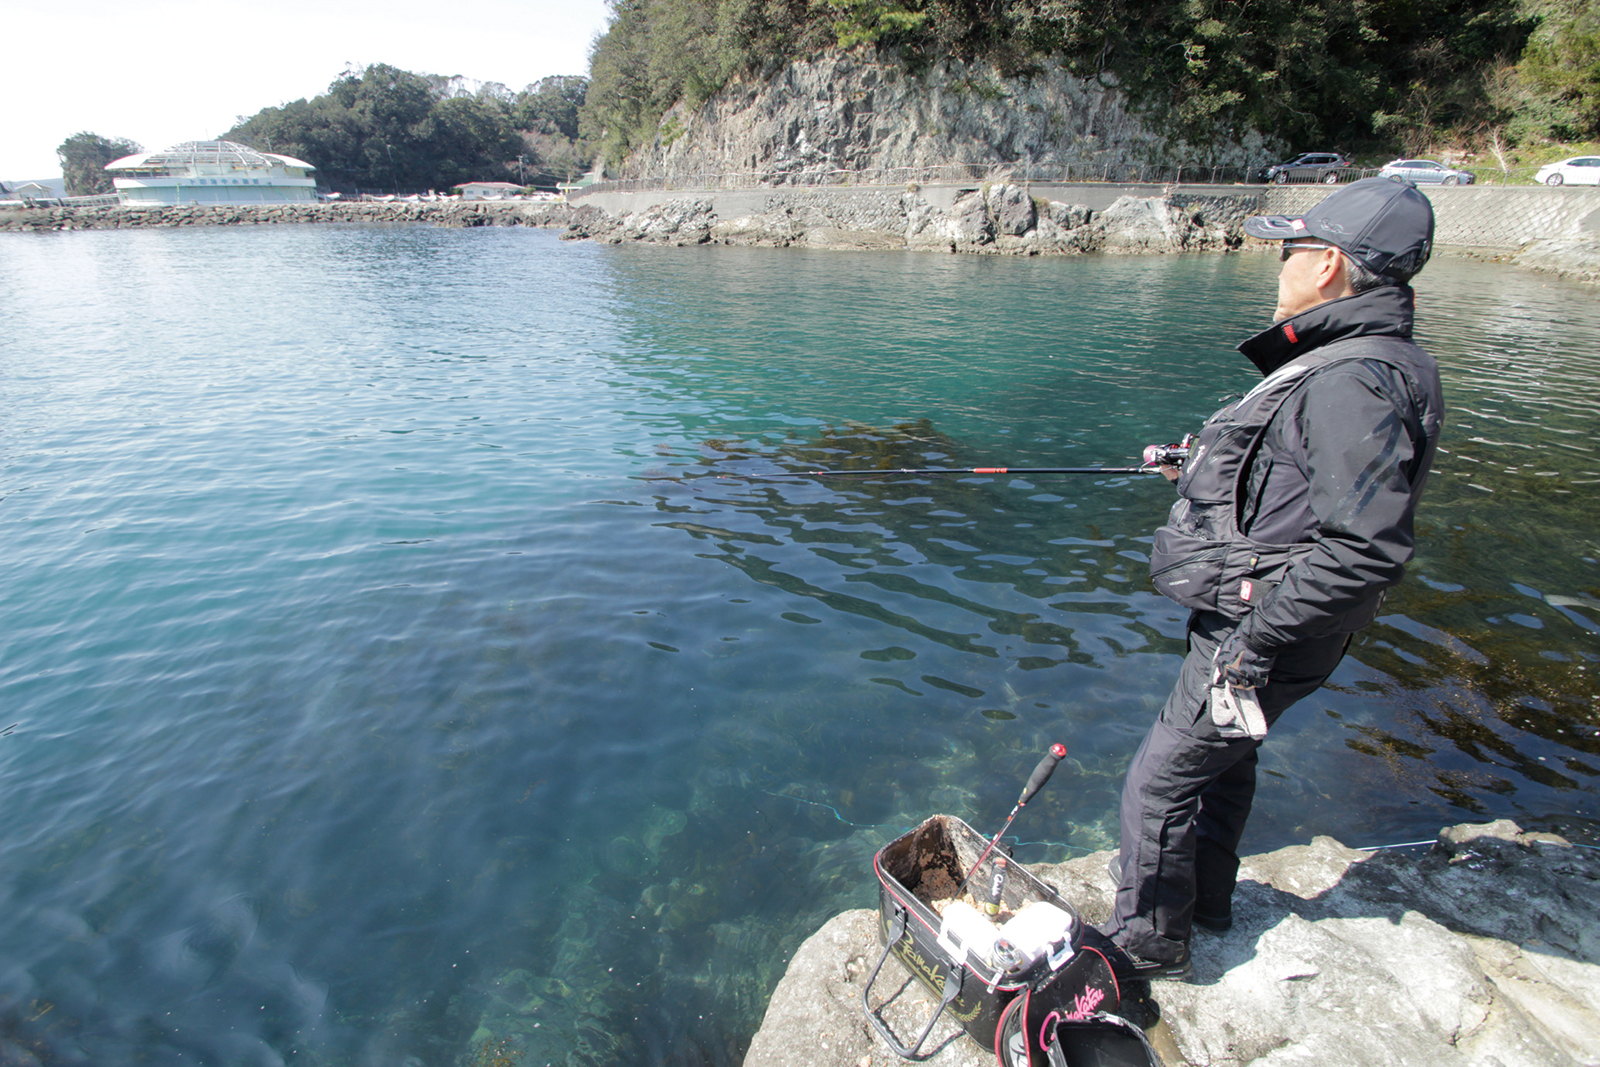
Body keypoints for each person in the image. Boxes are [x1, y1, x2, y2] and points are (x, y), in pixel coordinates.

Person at [1099, 177, 1445, 980]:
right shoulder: (1372, 359)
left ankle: (1145, 945)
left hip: (1268, 627)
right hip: (1283, 619)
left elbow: (1364, 545)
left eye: (1289, 249)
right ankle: (1205, 905)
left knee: (1157, 783)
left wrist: (1253, 641)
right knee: (1227, 760)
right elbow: (1304, 479)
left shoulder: (1351, 380)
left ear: (1327, 265)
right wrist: (1212, 463)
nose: (1279, 265)